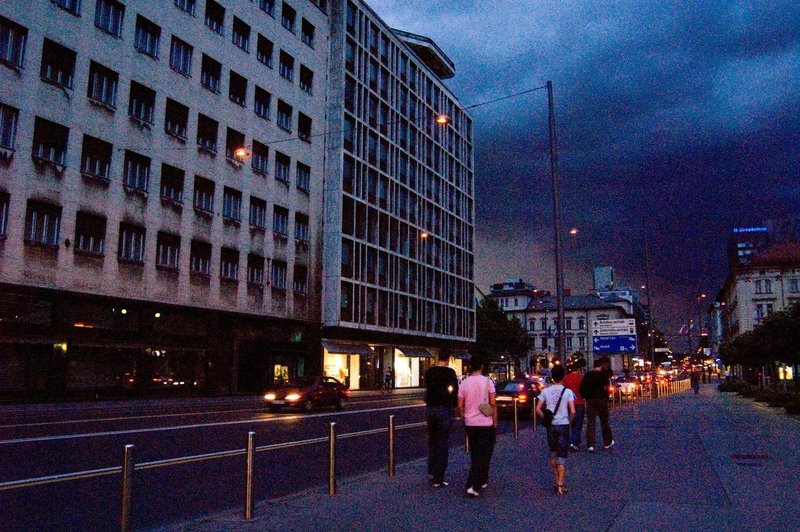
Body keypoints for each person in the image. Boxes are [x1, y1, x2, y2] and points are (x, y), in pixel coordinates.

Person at [458, 355, 498, 498]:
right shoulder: (488, 382)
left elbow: (460, 404)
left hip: (470, 423)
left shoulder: (464, 383)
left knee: (476, 453)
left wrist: (463, 416)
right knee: (485, 453)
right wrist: (495, 420)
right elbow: (493, 403)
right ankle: (472, 485)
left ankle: (481, 480)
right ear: (481, 366)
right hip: (485, 423)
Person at [536, 364, 575, 495]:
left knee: (553, 452)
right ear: (563, 376)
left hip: (551, 426)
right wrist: (569, 422)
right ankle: (560, 484)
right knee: (562, 456)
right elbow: (573, 411)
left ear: (552, 377)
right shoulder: (568, 392)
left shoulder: (546, 391)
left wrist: (546, 419)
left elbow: (538, 409)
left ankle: (555, 479)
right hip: (563, 425)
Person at [424, 352, 459, 488]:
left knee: (432, 440)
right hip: (444, 408)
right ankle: (439, 478)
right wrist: (454, 405)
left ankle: (431, 471)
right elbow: (454, 390)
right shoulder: (450, 373)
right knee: (443, 442)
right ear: (448, 359)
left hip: (430, 408)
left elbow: (427, 385)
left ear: (438, 357)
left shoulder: (430, 371)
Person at [579, 358, 614, 452]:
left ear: (593, 366)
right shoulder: (604, 375)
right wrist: (606, 397)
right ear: (601, 366)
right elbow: (608, 388)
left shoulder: (588, 375)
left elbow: (582, 389)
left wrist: (587, 397)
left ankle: (590, 445)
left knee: (591, 422)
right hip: (602, 400)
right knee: (604, 422)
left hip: (591, 400)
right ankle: (607, 442)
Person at [562, 367, 585, 451]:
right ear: (578, 370)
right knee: (578, 423)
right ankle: (574, 442)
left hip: (568, 403)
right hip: (579, 402)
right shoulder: (581, 378)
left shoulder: (566, 378)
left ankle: (569, 441)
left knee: (569, 422)